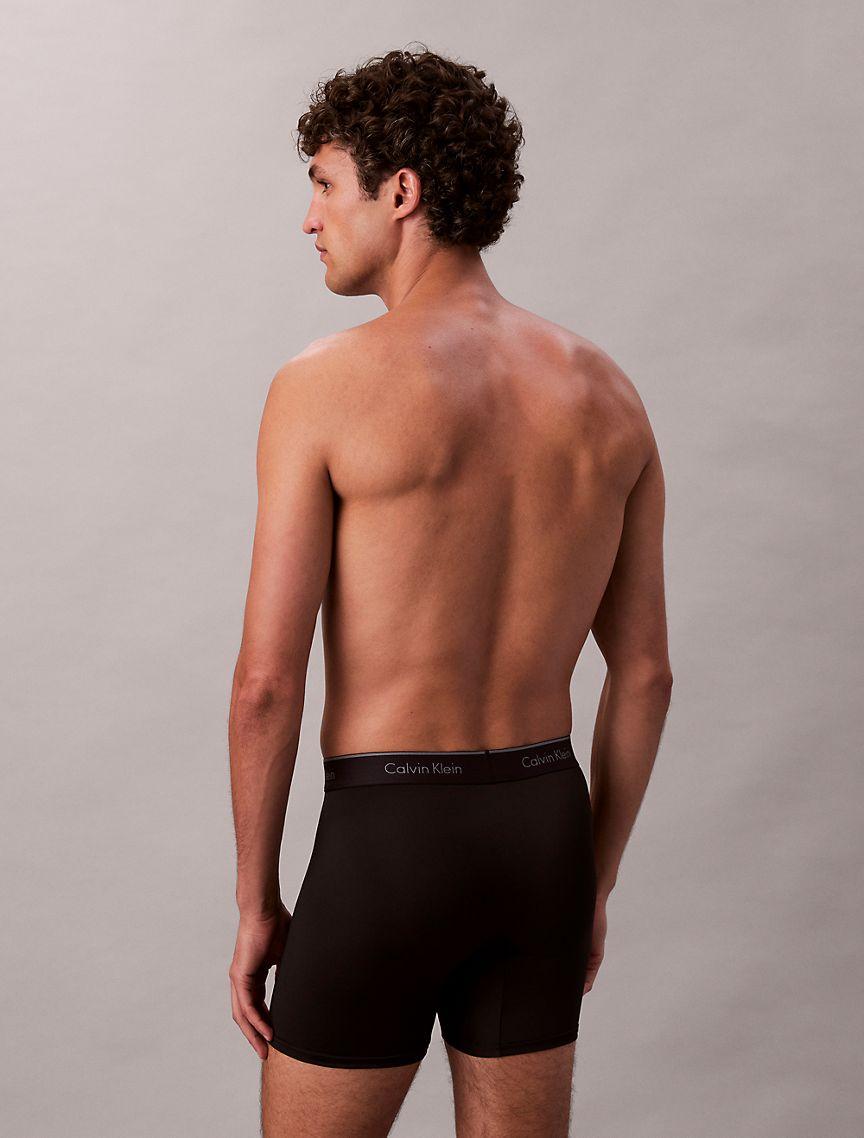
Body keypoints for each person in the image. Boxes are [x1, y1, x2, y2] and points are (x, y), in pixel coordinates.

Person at [227, 46, 673, 1138]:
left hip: (389, 836)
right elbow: (646, 675)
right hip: (544, 832)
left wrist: (256, 900)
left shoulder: (324, 386)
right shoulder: (608, 396)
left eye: (325, 184)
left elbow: (266, 684)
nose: (309, 217)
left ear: (400, 192)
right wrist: (592, 882)